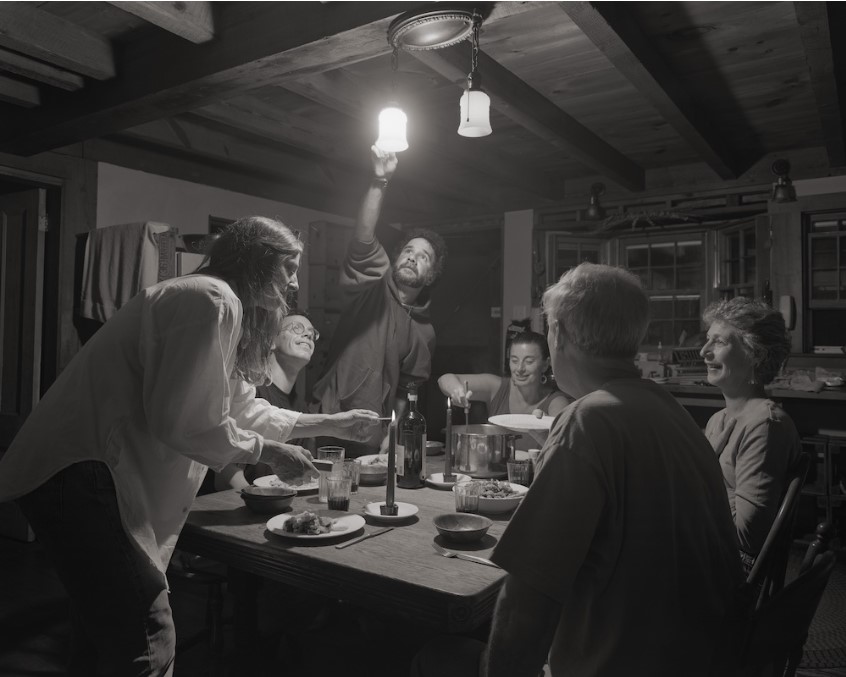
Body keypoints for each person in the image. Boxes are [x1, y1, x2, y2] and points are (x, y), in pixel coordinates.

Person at [0, 216, 379, 676]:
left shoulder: (210, 301)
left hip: (78, 472)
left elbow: (238, 407)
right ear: (257, 260)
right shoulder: (211, 298)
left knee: (102, 635)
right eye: (289, 267)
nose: (295, 283)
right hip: (82, 472)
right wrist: (268, 451)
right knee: (147, 635)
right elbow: (184, 420)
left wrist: (333, 423)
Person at [414, 263, 743, 677]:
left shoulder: (587, 421)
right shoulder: (671, 410)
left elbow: (525, 603)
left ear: (561, 334)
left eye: (549, 329)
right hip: (699, 656)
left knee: (433, 653)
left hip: (619, 663)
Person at [312, 145, 448, 457]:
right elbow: (363, 235)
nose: (413, 258)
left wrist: (393, 434)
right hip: (329, 418)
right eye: (409, 251)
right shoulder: (372, 284)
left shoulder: (425, 331)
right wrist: (379, 180)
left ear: (431, 274)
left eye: (424, 257)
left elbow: (407, 392)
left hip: (374, 431)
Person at [700, 296, 800, 571]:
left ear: (755, 353)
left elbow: (748, 538)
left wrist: (699, 482)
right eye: (708, 340)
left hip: (729, 572)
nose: (704, 351)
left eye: (719, 342)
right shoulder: (716, 420)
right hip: (707, 550)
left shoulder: (765, 425)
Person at [214, 310, 318, 491]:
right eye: (297, 328)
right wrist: (255, 497)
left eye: (312, 332)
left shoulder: (301, 407)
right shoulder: (250, 393)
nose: (308, 334)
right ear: (271, 341)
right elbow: (223, 464)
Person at [437, 330, 570, 448]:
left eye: (529, 361)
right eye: (514, 360)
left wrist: (547, 431)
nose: (519, 369)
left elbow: (563, 448)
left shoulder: (556, 402)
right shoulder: (497, 387)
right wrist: (457, 391)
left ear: (546, 364)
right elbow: (445, 379)